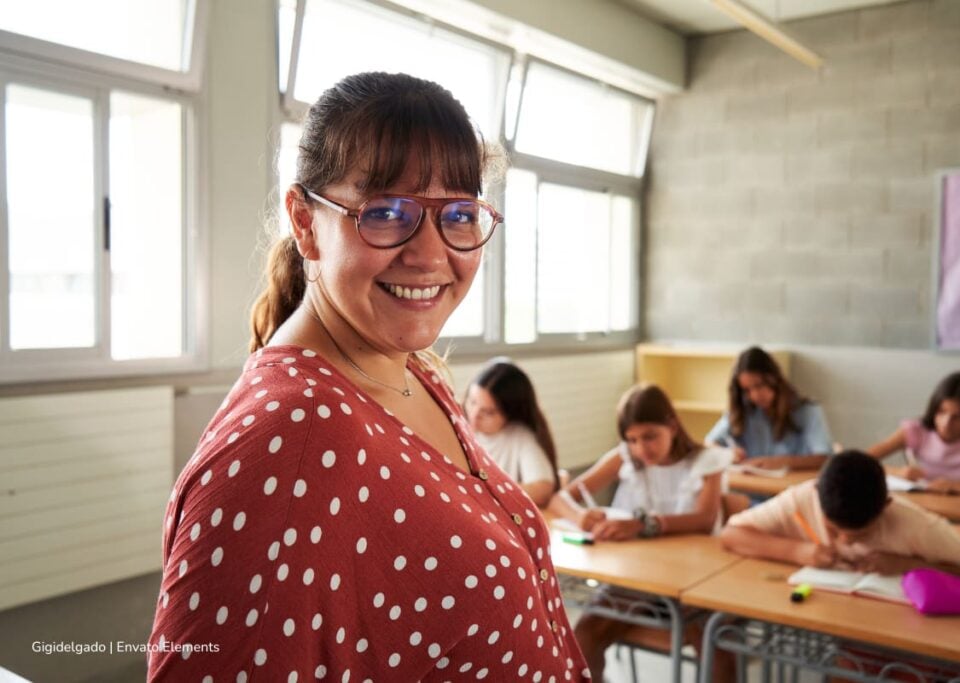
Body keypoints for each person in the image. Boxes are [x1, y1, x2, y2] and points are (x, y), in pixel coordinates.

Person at [147, 73, 590, 682]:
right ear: (305, 222)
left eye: (458, 214)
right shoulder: (293, 433)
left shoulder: (414, 374)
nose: (430, 255)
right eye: (385, 212)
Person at [548, 383, 734, 682]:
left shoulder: (707, 460)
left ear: (672, 425)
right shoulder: (625, 457)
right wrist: (579, 515)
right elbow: (562, 495)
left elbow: (704, 519)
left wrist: (643, 523)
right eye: (632, 439)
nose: (641, 448)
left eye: (650, 436)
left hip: (694, 580)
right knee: (583, 637)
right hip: (639, 579)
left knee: (717, 648)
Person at [721, 450, 960, 580]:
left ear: (886, 506)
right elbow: (731, 534)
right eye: (834, 530)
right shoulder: (803, 497)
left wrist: (908, 567)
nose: (846, 542)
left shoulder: (915, 524)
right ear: (816, 492)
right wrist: (797, 551)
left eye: (860, 533)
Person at [706, 346, 833, 471]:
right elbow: (709, 443)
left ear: (773, 378)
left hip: (789, 487)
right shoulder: (743, 410)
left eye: (759, 385)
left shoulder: (807, 411)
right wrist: (727, 453)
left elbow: (823, 458)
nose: (755, 395)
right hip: (751, 487)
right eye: (747, 390)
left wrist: (782, 461)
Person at [464, 358, 560, 506]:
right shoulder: (457, 424)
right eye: (472, 401)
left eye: (488, 412)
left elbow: (542, 490)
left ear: (510, 415)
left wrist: (484, 492)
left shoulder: (518, 437)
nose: (474, 415)